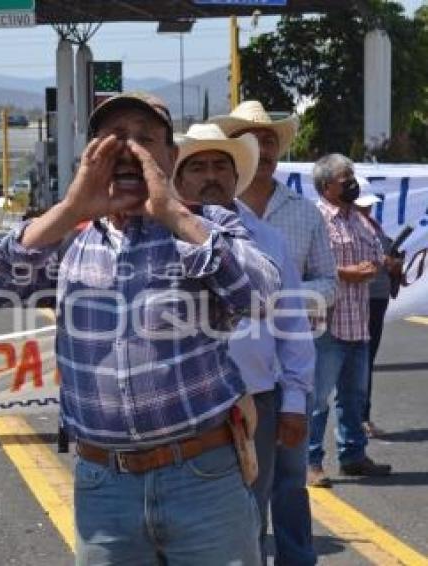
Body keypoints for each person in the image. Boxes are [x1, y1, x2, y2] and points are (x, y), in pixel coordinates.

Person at [0, 92, 280, 565]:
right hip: (104, 485)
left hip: (202, 477)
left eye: (144, 139)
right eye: (114, 140)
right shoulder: (71, 238)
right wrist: (73, 207)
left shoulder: (204, 224)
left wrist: (174, 213)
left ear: (171, 157)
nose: (129, 151)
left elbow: (262, 296)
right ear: (92, 157)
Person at [172, 123, 315, 562]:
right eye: (197, 167)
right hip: (180, 408)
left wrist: (293, 400)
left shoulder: (267, 240)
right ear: (178, 180)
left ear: (237, 178)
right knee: (183, 524)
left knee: (251, 518)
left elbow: (292, 323)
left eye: (221, 166)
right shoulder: (155, 239)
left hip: (256, 402)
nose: (210, 176)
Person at [209, 99, 335, 565]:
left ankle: (295, 558)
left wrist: (296, 297)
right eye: (249, 140)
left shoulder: (300, 215)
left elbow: (326, 279)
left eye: (268, 140)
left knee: (287, 481)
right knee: (235, 502)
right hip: (228, 385)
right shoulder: (192, 221)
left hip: (285, 371)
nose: (260, 148)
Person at [309, 153, 392, 486]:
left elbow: (374, 254)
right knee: (317, 398)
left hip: (358, 322)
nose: (352, 184)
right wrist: (346, 273)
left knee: (354, 396)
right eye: (346, 179)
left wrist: (377, 265)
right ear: (326, 185)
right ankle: (310, 462)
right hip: (328, 324)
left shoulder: (358, 219)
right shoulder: (316, 219)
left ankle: (353, 456)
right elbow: (310, 266)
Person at [354, 192, 402, 438]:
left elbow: (390, 269)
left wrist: (394, 266)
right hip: (358, 300)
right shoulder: (348, 228)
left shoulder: (376, 228)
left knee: (366, 360)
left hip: (377, 300)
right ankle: (356, 418)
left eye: (370, 206)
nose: (368, 210)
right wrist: (381, 261)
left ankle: (362, 417)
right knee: (357, 362)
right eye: (364, 206)